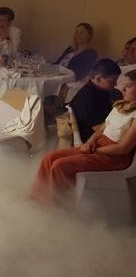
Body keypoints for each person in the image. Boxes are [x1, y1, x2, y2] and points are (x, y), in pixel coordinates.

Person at [31, 69, 136, 204]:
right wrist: (90, 141)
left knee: (60, 166)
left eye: (128, 86)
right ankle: (38, 199)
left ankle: (59, 206)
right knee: (49, 158)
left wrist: (95, 150)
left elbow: (123, 148)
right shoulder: (120, 106)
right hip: (99, 145)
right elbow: (102, 128)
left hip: (114, 157)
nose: (122, 89)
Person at [70, 59, 123, 142]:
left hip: (104, 129)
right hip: (92, 139)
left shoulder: (101, 91)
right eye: (112, 81)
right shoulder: (86, 99)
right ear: (98, 79)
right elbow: (99, 129)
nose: (115, 84)